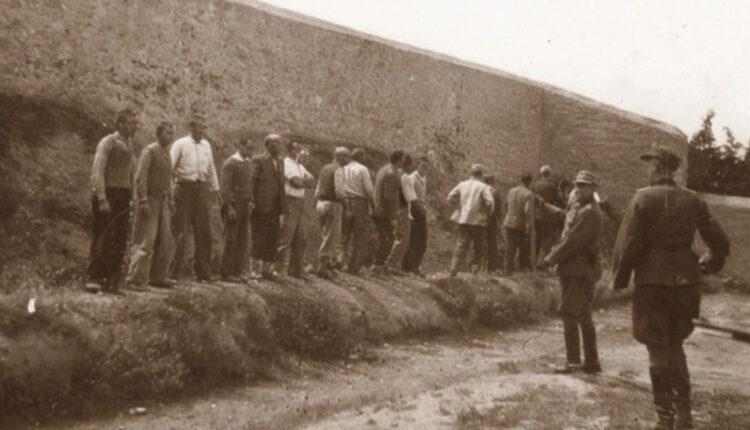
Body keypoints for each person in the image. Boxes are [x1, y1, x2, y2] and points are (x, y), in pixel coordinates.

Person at [612, 145, 729, 430]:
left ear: (661, 167)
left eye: (652, 163)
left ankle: (664, 418)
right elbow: (720, 241)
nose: (649, 169)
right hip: (687, 283)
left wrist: (620, 279)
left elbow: (627, 245)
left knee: (657, 349)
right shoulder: (693, 199)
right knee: (675, 345)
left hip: (652, 284)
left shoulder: (643, 198)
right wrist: (709, 263)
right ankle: (684, 413)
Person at [541, 170, 603, 375]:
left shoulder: (591, 212)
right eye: (578, 185)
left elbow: (573, 241)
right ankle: (591, 362)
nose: (579, 189)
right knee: (583, 313)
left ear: (593, 188)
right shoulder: (580, 207)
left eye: (584, 185)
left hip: (580, 270)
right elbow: (566, 221)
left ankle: (573, 361)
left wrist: (550, 258)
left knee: (568, 312)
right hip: (575, 268)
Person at [85, 108, 139, 294]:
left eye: (135, 123)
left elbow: (131, 174)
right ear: (120, 124)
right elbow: (97, 172)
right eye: (130, 123)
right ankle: (94, 278)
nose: (134, 127)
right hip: (108, 193)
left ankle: (112, 281)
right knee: (103, 235)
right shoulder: (108, 142)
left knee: (119, 238)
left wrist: (133, 197)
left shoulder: (130, 144)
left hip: (123, 195)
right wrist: (101, 198)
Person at [170, 114, 220, 283]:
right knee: (181, 232)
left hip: (203, 189)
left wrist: (216, 189)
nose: (202, 131)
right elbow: (169, 167)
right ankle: (172, 273)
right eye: (199, 128)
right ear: (191, 128)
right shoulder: (180, 144)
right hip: (185, 189)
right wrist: (172, 188)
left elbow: (211, 168)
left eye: (204, 128)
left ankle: (203, 273)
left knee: (204, 232)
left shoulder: (206, 145)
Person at [126, 121, 176, 291]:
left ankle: (158, 277)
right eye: (168, 132)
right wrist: (143, 200)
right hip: (150, 201)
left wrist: (171, 199)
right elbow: (140, 177)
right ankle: (135, 280)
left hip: (162, 202)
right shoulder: (149, 151)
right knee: (145, 241)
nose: (171, 136)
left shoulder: (167, 154)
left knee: (166, 240)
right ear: (158, 134)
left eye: (172, 133)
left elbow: (168, 180)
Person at [248, 133, 286, 280]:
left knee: (273, 236)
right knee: (259, 236)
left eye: (280, 143)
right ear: (267, 145)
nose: (278, 146)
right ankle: (254, 270)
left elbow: (281, 185)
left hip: (276, 205)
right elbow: (251, 181)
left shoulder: (280, 162)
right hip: (261, 204)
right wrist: (251, 200)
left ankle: (267, 269)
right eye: (275, 143)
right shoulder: (258, 160)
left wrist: (283, 207)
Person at [447, 164, 494, 277]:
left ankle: (453, 268)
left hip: (464, 219)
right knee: (479, 247)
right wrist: (487, 213)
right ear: (480, 175)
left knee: (461, 244)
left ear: (471, 174)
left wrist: (459, 207)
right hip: (478, 221)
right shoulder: (483, 187)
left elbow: (450, 197)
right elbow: (490, 202)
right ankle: (475, 270)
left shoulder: (462, 185)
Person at [276, 141, 315, 278]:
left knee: (301, 236)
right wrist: (304, 182)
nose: (297, 152)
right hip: (290, 200)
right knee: (285, 235)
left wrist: (303, 181)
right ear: (289, 150)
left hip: (300, 202)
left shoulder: (300, 166)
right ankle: (277, 268)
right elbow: (295, 182)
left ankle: (295, 269)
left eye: (298, 150)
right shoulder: (286, 163)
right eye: (294, 149)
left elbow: (312, 180)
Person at [219, 137, 254, 283]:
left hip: (244, 204)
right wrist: (229, 206)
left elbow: (249, 185)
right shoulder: (230, 163)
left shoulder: (247, 163)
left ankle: (237, 271)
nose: (250, 151)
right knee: (231, 238)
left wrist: (250, 202)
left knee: (242, 239)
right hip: (234, 204)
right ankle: (226, 272)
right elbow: (224, 188)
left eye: (252, 149)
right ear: (240, 146)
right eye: (248, 148)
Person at [339, 148, 375, 274]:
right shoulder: (362, 169)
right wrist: (374, 203)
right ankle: (353, 266)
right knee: (360, 235)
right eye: (364, 156)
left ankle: (338, 261)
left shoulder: (343, 168)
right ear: (360, 156)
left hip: (344, 201)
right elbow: (369, 190)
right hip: (359, 202)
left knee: (344, 233)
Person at [315, 147, 350, 278]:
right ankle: (322, 267)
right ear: (339, 157)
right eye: (346, 157)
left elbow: (317, 188)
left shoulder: (325, 168)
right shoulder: (339, 170)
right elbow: (339, 192)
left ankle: (325, 263)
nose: (348, 160)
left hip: (320, 203)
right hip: (333, 204)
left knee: (325, 233)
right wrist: (346, 207)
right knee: (332, 236)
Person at [372, 150, 405, 273]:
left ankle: (377, 265)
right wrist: (393, 217)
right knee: (388, 238)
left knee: (383, 237)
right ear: (398, 160)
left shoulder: (383, 170)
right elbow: (389, 197)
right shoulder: (392, 174)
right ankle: (378, 265)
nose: (403, 162)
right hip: (384, 212)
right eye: (402, 160)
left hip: (377, 208)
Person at [384, 154, 413, 275]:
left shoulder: (398, 174)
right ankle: (391, 264)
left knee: (400, 237)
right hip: (403, 208)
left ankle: (393, 264)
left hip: (399, 208)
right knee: (402, 237)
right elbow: (409, 196)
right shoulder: (404, 176)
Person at [401, 155, 429, 276]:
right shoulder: (412, 178)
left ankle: (415, 266)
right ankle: (409, 267)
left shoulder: (424, 178)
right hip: (414, 210)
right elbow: (411, 197)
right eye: (422, 166)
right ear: (417, 165)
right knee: (415, 239)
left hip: (421, 209)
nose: (424, 169)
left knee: (422, 240)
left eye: (426, 167)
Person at [503, 173, 535, 274]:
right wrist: (529, 225)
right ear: (529, 182)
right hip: (520, 224)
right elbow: (527, 211)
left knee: (510, 246)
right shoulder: (529, 194)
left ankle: (508, 269)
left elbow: (506, 204)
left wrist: (508, 215)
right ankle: (522, 269)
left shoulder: (511, 191)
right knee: (523, 247)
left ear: (520, 180)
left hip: (508, 222)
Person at [533, 165, 563, 266]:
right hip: (549, 216)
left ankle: (533, 262)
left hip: (536, 216)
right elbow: (559, 200)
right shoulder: (552, 186)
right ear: (549, 174)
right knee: (547, 240)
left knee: (537, 239)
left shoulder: (535, 185)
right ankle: (545, 263)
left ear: (541, 174)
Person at [483, 174, 504, 272]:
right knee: (492, 242)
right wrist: (500, 222)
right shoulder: (494, 192)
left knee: (481, 242)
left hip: (481, 220)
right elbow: (499, 210)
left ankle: (480, 264)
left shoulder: (481, 190)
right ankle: (491, 266)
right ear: (492, 181)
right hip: (492, 220)